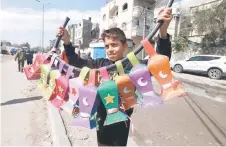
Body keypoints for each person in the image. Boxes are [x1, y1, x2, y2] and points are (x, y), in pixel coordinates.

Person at [55, 8, 173, 146]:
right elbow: (77, 63)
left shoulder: (132, 65)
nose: (110, 49)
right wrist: (67, 42)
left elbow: (159, 61)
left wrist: (163, 32)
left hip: (120, 122)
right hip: (101, 118)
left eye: (114, 45)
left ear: (124, 46)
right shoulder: (100, 64)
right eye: (107, 46)